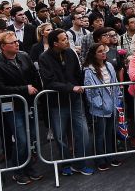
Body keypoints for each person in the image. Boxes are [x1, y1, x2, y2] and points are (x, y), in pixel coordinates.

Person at [0, 31, 45, 185]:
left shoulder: (24, 56)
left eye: (16, 41)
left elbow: (35, 76)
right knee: (21, 139)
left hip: (30, 103)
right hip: (13, 106)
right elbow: (1, 89)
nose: (16, 43)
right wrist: (24, 89)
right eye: (12, 42)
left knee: (32, 136)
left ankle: (29, 166)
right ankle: (19, 170)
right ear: (2, 46)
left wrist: (36, 95)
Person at [37, 30, 94, 176]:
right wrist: (71, 87)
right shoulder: (44, 58)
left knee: (83, 133)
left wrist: (79, 88)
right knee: (60, 136)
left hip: (75, 100)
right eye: (63, 39)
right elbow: (49, 82)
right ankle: (66, 164)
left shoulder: (70, 53)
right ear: (55, 43)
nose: (67, 41)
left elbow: (77, 73)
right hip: (57, 103)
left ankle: (80, 164)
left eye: (67, 38)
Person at [83, 43, 121, 171]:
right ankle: (100, 159)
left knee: (110, 132)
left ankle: (110, 156)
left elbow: (115, 84)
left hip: (112, 105)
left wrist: (116, 100)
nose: (103, 53)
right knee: (100, 134)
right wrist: (100, 105)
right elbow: (90, 92)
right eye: (100, 51)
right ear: (94, 54)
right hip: (99, 108)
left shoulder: (109, 65)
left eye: (104, 51)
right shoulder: (89, 70)